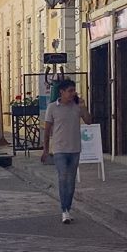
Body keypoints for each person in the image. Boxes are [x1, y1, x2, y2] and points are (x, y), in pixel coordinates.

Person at [41, 79, 92, 225]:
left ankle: (68, 207)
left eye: (73, 90)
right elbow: (47, 129)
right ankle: (64, 210)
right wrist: (45, 149)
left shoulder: (77, 106)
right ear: (61, 92)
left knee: (71, 181)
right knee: (63, 177)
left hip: (75, 148)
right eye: (69, 91)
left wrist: (83, 107)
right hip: (59, 150)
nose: (72, 93)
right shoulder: (52, 108)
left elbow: (88, 121)